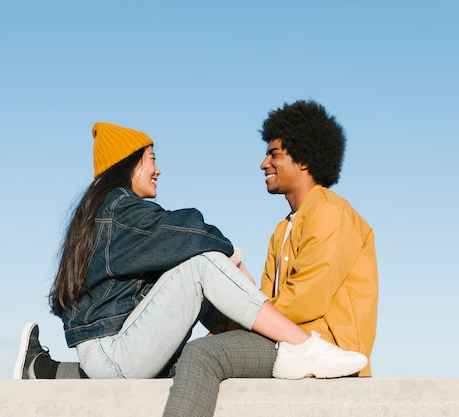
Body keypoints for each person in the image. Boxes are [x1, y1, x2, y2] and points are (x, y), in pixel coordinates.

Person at [13, 120, 368, 381]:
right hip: (115, 356)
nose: (157, 169)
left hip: (106, 353)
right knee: (203, 264)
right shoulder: (120, 209)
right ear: (130, 162)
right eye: (151, 158)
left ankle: (41, 370)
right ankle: (305, 347)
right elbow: (189, 230)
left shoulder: (104, 210)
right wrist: (232, 254)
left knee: (194, 278)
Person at [162, 99, 379, 416]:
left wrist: (231, 326)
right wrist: (225, 323)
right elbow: (263, 299)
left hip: (323, 346)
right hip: (287, 339)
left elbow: (306, 300)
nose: (264, 164)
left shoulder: (330, 213)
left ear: (303, 159)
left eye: (274, 154)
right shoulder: (283, 229)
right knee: (179, 351)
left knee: (202, 354)